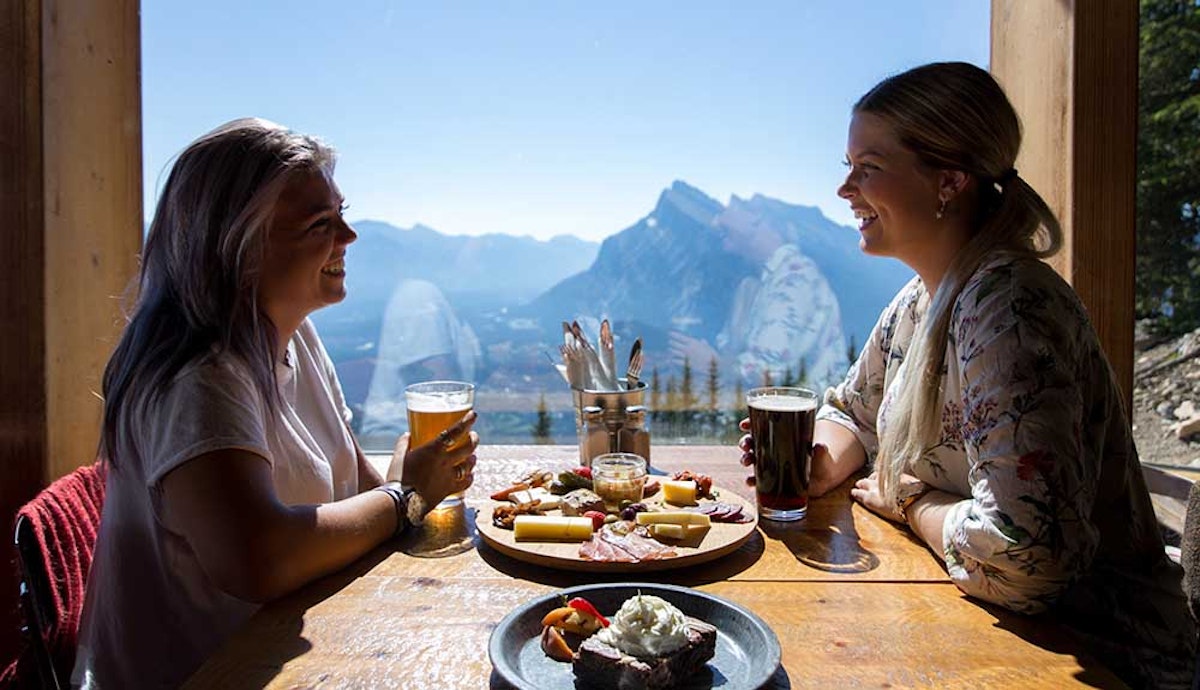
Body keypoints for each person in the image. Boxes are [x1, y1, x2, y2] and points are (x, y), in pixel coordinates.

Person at [738, 62, 1194, 688]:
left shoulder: (1006, 310)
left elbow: (1029, 559)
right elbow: (853, 410)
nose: (846, 190)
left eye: (867, 167)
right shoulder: (923, 300)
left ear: (949, 180)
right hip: (1000, 635)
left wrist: (910, 499)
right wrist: (823, 461)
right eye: (846, 166)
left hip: (1104, 655)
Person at [72, 118, 479, 689]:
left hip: (287, 655)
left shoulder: (296, 339)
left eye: (341, 213)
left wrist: (404, 482)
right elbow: (256, 559)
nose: (349, 237)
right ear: (237, 248)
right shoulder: (200, 376)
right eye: (321, 223)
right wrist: (408, 495)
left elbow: (359, 498)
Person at [669, 197, 849, 389]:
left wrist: (713, 364)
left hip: (804, 414)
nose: (716, 221)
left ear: (756, 215)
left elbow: (767, 373)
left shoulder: (796, 279)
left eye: (725, 209)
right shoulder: (759, 283)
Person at [359, 277, 481, 442]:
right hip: (402, 440)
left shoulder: (440, 300)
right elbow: (440, 389)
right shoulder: (418, 296)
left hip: (428, 440)